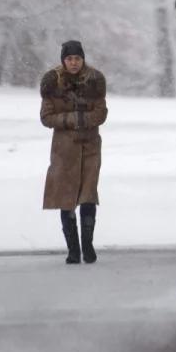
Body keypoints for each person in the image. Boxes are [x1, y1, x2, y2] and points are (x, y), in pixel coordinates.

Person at [40, 40, 108, 264]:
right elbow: (46, 117)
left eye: (77, 58)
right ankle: (73, 249)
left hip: (89, 148)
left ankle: (88, 245)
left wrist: (84, 119)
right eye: (69, 59)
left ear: (83, 59)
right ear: (63, 60)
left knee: (88, 195)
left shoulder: (94, 81)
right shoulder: (53, 82)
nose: (74, 63)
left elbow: (101, 113)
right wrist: (72, 119)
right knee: (66, 198)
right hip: (63, 150)